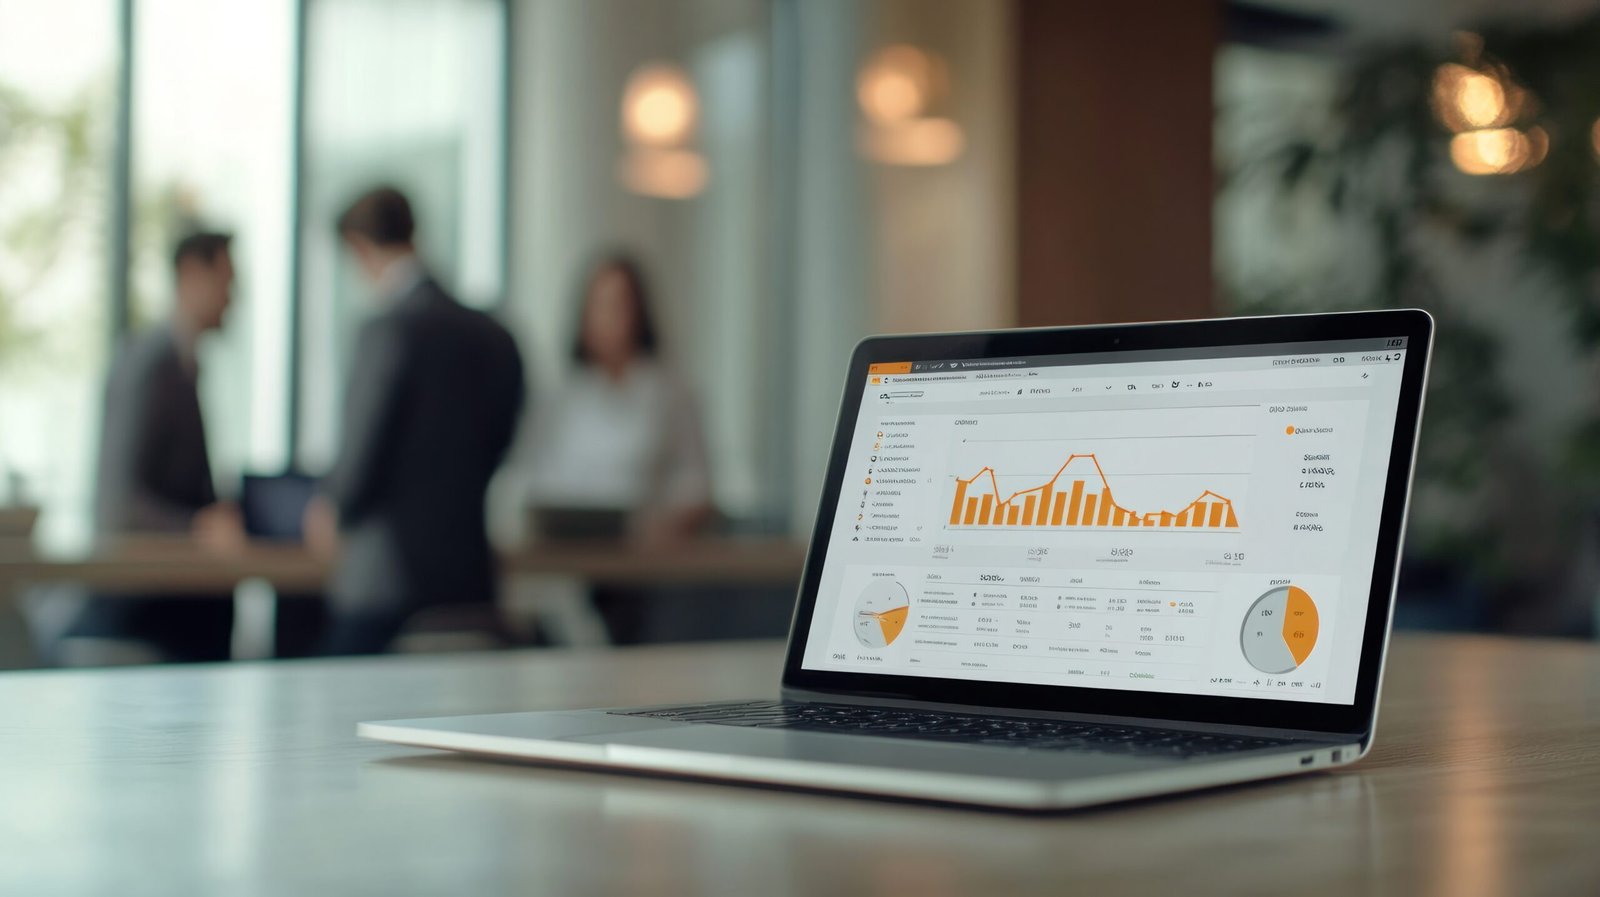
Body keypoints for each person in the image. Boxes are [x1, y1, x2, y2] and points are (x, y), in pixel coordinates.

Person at [307, 187, 525, 655]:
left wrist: (333, 506)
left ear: (359, 247)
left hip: (390, 582)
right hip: (470, 577)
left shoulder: (385, 330)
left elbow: (363, 450)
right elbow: (504, 439)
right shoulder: (493, 334)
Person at [61, 231, 246, 663]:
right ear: (190, 273)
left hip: (175, 598)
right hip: (139, 601)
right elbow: (120, 503)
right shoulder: (150, 361)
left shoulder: (184, 363)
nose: (234, 298)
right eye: (227, 281)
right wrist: (197, 528)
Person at [523, 253, 714, 644]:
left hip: (644, 569)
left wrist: (669, 522)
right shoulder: (561, 393)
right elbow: (530, 475)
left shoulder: (668, 390)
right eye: (600, 304)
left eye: (621, 304)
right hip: (569, 565)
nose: (610, 317)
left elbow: (697, 480)